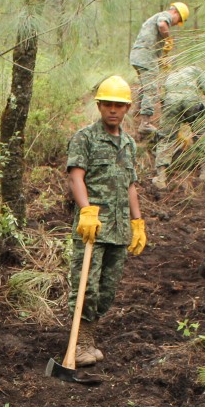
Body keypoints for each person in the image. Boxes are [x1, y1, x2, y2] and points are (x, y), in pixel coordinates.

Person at [65, 75, 146, 366]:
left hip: (119, 229)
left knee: (107, 290)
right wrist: (86, 210)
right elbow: (77, 177)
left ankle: (89, 337)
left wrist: (137, 222)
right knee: (86, 286)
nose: (113, 110)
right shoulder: (85, 138)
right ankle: (80, 344)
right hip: (92, 228)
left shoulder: (128, 144)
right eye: (108, 104)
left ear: (127, 110)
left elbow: (130, 185)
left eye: (119, 106)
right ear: (99, 106)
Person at [153, 64, 205, 190]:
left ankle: (161, 179)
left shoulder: (170, 76)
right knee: (200, 135)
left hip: (171, 101)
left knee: (166, 139)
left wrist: (171, 122)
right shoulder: (196, 70)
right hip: (192, 100)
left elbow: (162, 98)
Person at [129, 2, 190, 136]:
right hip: (146, 56)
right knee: (151, 88)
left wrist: (162, 58)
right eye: (177, 21)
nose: (174, 25)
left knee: (145, 86)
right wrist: (168, 39)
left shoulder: (156, 18)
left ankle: (136, 113)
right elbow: (162, 25)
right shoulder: (164, 16)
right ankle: (145, 124)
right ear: (176, 13)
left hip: (138, 55)